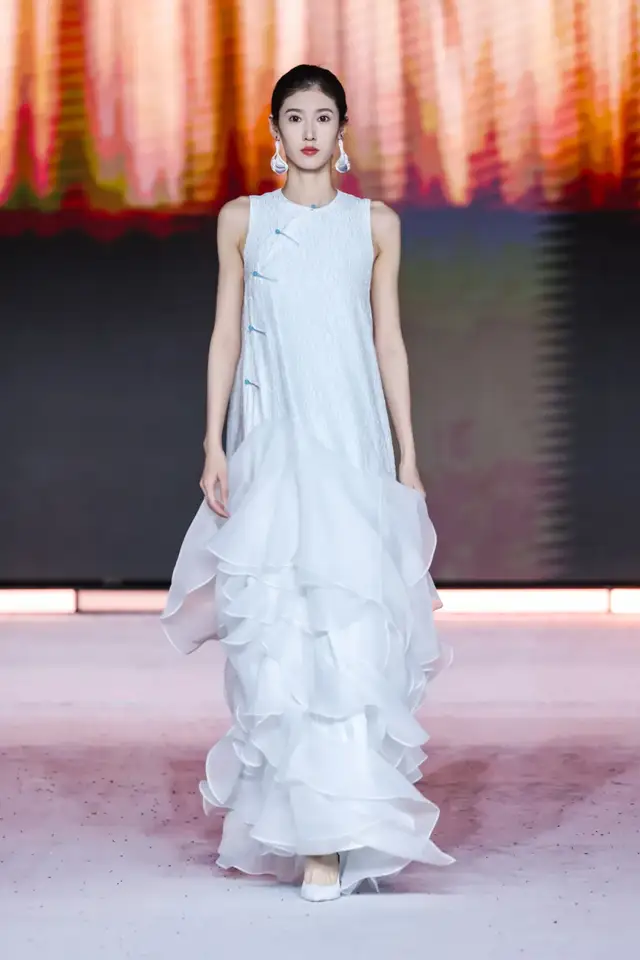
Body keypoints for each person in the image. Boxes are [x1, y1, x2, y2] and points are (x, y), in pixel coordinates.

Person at [161, 64, 454, 902]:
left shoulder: (375, 225)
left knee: (352, 635)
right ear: (275, 130)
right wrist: (213, 442)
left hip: (351, 446)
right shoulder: (244, 221)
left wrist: (406, 454)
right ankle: (310, 833)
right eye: (296, 117)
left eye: (324, 117)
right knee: (283, 638)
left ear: (342, 128)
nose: (311, 132)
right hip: (275, 445)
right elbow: (225, 334)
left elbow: (388, 341)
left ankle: (344, 825)